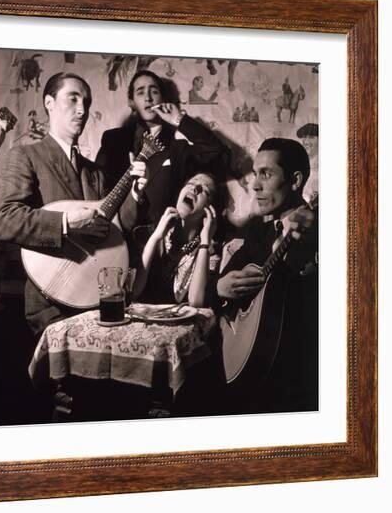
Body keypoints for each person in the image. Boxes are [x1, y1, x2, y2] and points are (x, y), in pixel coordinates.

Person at [0, 72, 148, 339]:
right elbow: (5, 220)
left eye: (86, 103)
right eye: (73, 99)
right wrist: (66, 223)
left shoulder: (95, 172)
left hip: (94, 297)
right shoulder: (25, 156)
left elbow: (115, 226)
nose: (82, 110)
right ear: (49, 103)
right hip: (51, 304)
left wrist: (134, 195)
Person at [216, 137, 318, 413]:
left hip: (299, 378)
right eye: (254, 173)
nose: (255, 184)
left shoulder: (322, 231)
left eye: (266, 174)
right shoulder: (257, 232)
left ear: (295, 181)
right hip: (251, 365)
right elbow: (222, 282)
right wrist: (222, 289)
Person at [95, 70, 228, 229]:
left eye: (154, 91)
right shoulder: (113, 139)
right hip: (115, 232)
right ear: (132, 102)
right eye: (140, 92)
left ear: (163, 99)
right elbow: (98, 188)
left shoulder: (177, 146)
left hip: (159, 236)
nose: (148, 97)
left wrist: (178, 119)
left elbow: (215, 150)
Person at [133, 173, 221, 307]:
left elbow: (196, 302)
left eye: (204, 190)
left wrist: (204, 242)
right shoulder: (148, 233)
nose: (194, 188)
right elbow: (133, 291)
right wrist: (156, 236)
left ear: (210, 210)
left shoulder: (210, 251)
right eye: (190, 184)